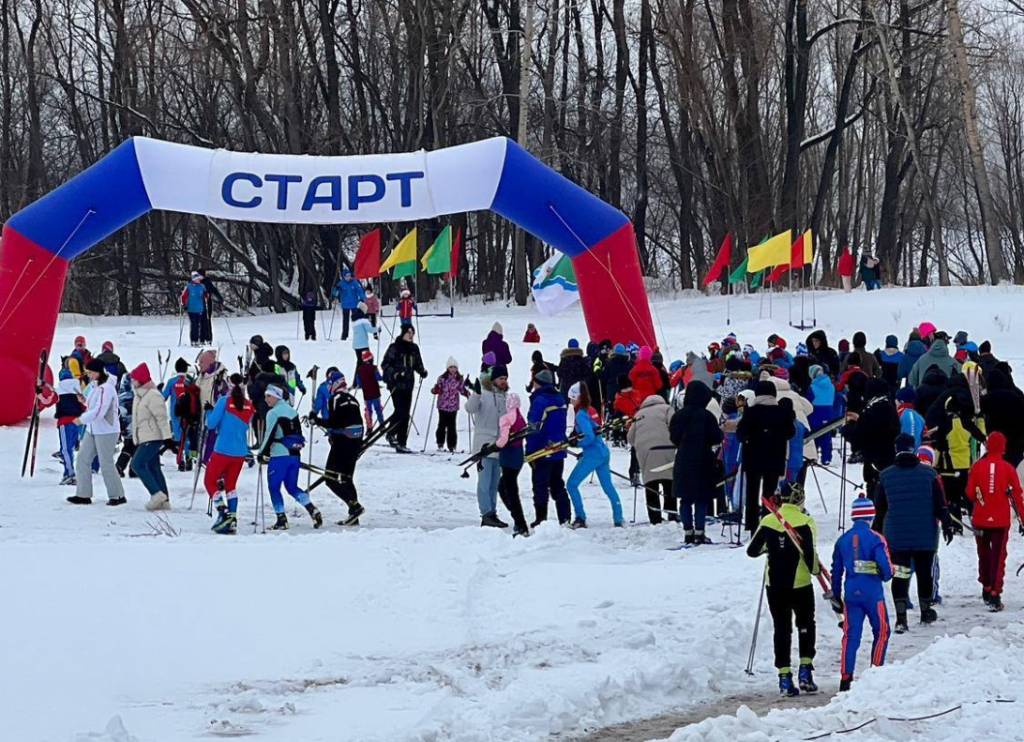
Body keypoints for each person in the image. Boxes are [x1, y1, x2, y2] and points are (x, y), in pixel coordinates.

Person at [872, 434, 955, 632]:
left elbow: (880, 509)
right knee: (924, 573)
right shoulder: (930, 474)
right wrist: (948, 524)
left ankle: (901, 618)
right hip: (925, 534)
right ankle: (926, 611)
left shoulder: (885, 476)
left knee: (900, 574)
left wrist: (876, 534)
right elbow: (940, 505)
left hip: (896, 536)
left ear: (896, 449)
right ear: (914, 448)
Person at [746, 482, 821, 696]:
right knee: (806, 624)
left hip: (775, 585)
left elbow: (752, 550)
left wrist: (770, 547)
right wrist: (816, 571)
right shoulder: (806, 521)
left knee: (782, 628)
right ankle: (805, 669)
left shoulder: (769, 520)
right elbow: (809, 556)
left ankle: (784, 676)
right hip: (800, 584)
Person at [831, 496, 893, 692]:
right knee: (882, 631)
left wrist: (835, 595)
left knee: (851, 636)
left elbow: (836, 571)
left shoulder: (842, 540)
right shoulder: (876, 539)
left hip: (851, 594)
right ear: (870, 517)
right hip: (873, 594)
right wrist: (885, 573)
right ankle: (875, 672)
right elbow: (886, 569)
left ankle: (845, 678)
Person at [965, 432, 1024, 612]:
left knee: (984, 554)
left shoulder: (977, 467)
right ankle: (994, 593)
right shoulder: (1008, 468)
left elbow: (970, 493)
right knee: (998, 557)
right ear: (1003, 447)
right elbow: (1017, 496)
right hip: (1000, 520)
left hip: (981, 518)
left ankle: (986, 586)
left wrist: (982, 498)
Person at [258, 384, 323, 530]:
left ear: (276, 396)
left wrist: (262, 453)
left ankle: (281, 520)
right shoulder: (292, 411)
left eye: (268, 396)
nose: (266, 399)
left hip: (279, 455)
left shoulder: (273, 413)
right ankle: (312, 509)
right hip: (294, 455)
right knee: (292, 487)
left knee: (274, 487)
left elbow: (269, 435)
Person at [737, 381, 795, 531]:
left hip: (752, 457)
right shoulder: (781, 412)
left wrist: (750, 437)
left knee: (752, 492)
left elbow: (740, 434)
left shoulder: (751, 411)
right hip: (774, 457)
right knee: (769, 493)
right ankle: (767, 522)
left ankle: (751, 524)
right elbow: (791, 432)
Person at [669, 380, 723, 543]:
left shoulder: (679, 415)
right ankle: (700, 531)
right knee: (701, 497)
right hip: (704, 458)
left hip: (684, 458)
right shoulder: (707, 416)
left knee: (685, 498)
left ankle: (687, 531)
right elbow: (717, 437)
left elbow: (674, 438)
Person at [310, 372, 367, 526]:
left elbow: (334, 423)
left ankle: (354, 506)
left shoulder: (334, 399)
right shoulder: (353, 399)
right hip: (356, 441)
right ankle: (354, 516)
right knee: (347, 478)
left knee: (330, 478)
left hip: (342, 441)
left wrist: (317, 420)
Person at [67, 359, 125, 506]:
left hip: (107, 430)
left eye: (91, 372)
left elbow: (100, 411)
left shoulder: (108, 388)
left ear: (99, 372)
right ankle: (83, 494)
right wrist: (84, 401)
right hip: (92, 428)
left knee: (106, 463)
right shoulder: (95, 385)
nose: (89, 375)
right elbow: (93, 405)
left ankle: (117, 495)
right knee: (82, 459)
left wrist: (81, 419)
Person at [566, 382, 624, 528]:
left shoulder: (580, 415)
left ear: (578, 398)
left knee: (571, 484)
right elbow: (595, 430)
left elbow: (589, 437)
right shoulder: (590, 409)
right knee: (608, 487)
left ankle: (580, 517)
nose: (571, 402)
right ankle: (618, 517)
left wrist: (576, 444)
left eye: (572, 399)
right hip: (602, 452)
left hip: (593, 454)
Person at [205, 375, 254, 534]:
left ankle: (222, 511)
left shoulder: (224, 401)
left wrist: (208, 412)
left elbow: (211, 424)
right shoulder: (249, 405)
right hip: (239, 452)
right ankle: (232, 518)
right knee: (230, 485)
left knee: (210, 481)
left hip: (222, 449)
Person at [466, 364, 510, 528]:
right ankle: (486, 513)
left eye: (505, 378)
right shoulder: (483, 394)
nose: (503, 381)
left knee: (494, 483)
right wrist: (475, 394)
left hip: (499, 445)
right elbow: (470, 408)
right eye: (501, 378)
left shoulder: (505, 397)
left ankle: (492, 512)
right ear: (493, 380)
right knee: (484, 483)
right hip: (484, 445)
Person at [526, 369, 572, 526]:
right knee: (557, 483)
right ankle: (565, 517)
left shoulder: (540, 401)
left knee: (540, 485)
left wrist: (530, 451)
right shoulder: (559, 399)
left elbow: (533, 428)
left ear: (538, 383)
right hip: (558, 447)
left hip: (542, 449)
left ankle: (541, 519)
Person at [844, 379, 901, 499]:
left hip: (875, 460)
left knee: (876, 493)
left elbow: (861, 435)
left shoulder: (874, 409)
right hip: (888, 456)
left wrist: (849, 428)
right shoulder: (889, 406)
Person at [627, 393, 677, 525]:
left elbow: (630, 438)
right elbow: (675, 427)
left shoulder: (638, 414)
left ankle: (655, 517)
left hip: (646, 453)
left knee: (651, 485)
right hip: (666, 449)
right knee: (669, 482)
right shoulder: (667, 409)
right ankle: (672, 513)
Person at [128, 363, 172, 511]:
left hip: (153, 437)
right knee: (153, 467)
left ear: (140, 379)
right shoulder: (139, 395)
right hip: (144, 436)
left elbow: (161, 417)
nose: (132, 382)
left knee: (137, 464)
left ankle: (156, 494)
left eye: (134, 379)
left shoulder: (153, 395)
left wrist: (167, 437)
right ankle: (164, 499)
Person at [381, 325, 427, 452]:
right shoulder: (395, 347)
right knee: (400, 411)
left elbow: (417, 363)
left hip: (408, 384)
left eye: (412, 333)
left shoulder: (414, 348)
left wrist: (422, 371)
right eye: (408, 333)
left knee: (406, 414)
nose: (411, 335)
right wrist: (395, 374)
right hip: (396, 385)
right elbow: (385, 364)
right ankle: (391, 433)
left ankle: (402, 442)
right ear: (403, 333)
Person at [496, 392, 530, 536]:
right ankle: (518, 519)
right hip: (518, 456)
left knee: (509, 490)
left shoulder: (506, 418)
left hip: (508, 457)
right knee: (504, 486)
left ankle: (520, 523)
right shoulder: (520, 417)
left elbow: (503, 440)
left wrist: (494, 446)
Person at [432, 358, 469, 453]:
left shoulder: (459, 378)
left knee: (452, 426)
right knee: (442, 424)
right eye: (451, 367)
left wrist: (466, 392)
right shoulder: (442, 378)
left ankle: (452, 445)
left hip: (453, 406)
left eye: (454, 367)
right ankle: (440, 443)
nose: (453, 369)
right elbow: (437, 388)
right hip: (443, 405)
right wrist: (435, 389)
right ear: (447, 368)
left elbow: (461, 389)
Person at [54, 370, 85, 485]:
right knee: (70, 448)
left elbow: (48, 399)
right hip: (76, 422)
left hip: (64, 422)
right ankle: (69, 472)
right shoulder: (77, 391)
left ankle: (69, 474)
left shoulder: (59, 391)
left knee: (65, 450)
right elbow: (83, 407)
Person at [808, 366, 835, 465]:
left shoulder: (812, 387)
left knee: (815, 435)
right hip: (828, 411)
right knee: (826, 435)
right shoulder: (831, 385)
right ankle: (826, 458)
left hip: (815, 412)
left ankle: (813, 457)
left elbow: (808, 400)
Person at [332, 268, 366, 340]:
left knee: (356, 320)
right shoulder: (341, 283)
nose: (348, 277)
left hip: (354, 304)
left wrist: (362, 298)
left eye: (349, 276)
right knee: (345, 321)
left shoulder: (354, 282)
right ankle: (344, 335)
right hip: (345, 305)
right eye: (346, 276)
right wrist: (336, 289)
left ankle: (358, 334)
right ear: (344, 277)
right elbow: (335, 293)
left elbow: (359, 290)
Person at [354, 352, 385, 430]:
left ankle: (369, 427)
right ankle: (382, 424)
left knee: (368, 410)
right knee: (378, 409)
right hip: (375, 393)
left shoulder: (359, 370)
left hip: (366, 394)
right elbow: (379, 378)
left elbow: (359, 383)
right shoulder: (374, 368)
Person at [181, 272, 208, 347]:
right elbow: (183, 296)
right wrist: (184, 305)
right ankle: (193, 340)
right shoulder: (189, 287)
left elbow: (206, 295)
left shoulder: (202, 286)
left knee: (198, 325)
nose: (199, 280)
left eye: (199, 279)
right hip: (191, 308)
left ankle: (197, 340)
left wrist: (206, 295)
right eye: (198, 279)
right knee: (194, 325)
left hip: (199, 309)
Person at [197, 269, 223, 344]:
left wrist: (220, 298)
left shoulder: (207, 282)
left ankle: (208, 338)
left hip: (207, 303)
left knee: (207, 320)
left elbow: (213, 290)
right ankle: (201, 338)